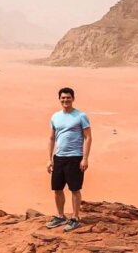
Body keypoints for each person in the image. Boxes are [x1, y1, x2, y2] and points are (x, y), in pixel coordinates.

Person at [45, 87, 92, 232]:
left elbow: (88, 137)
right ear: (59, 99)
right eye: (63, 98)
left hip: (75, 157)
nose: (66, 100)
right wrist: (49, 159)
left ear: (73, 98)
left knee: (75, 189)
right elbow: (52, 138)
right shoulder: (55, 117)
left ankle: (75, 218)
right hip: (59, 157)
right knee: (57, 189)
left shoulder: (80, 116)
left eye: (68, 97)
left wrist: (85, 158)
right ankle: (60, 216)